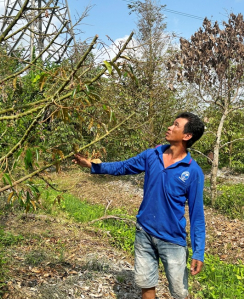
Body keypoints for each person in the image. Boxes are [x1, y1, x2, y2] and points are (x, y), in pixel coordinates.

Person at [73, 112, 206, 299]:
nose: (170, 127)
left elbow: (197, 215)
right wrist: (92, 166)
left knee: (179, 292)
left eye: (176, 125)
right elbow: (123, 167)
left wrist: (198, 252)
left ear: (187, 136)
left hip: (172, 239)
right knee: (146, 285)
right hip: (144, 232)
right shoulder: (153, 155)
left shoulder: (193, 171)